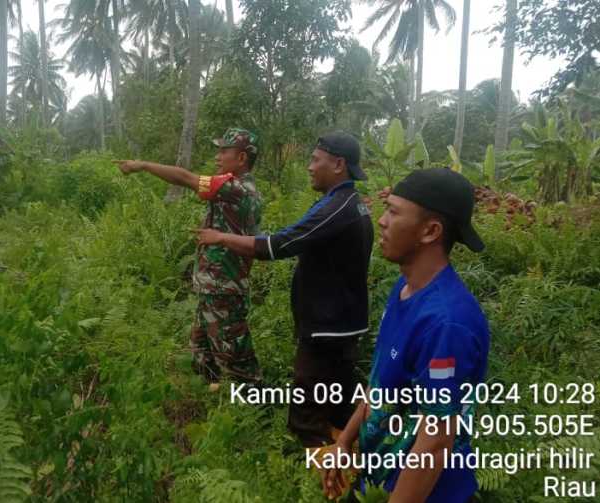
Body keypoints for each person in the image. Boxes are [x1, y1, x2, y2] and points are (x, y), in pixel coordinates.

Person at [322, 168, 490, 503]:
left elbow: (436, 440)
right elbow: (381, 380)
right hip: (380, 479)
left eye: (394, 212)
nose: (381, 221)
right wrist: (345, 441)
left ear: (430, 231)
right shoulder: (405, 288)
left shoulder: (447, 323)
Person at [196, 131, 373, 446]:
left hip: (327, 328)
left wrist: (220, 237)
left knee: (306, 420)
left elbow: (280, 244)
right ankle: (347, 465)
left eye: (315, 160)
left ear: (339, 165)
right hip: (341, 323)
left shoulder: (335, 209)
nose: (309, 166)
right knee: (337, 409)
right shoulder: (350, 203)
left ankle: (325, 477)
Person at [114, 128, 264, 385]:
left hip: (223, 289)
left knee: (238, 363)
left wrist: (142, 165)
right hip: (214, 287)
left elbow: (185, 178)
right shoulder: (233, 187)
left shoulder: (235, 188)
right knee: (201, 353)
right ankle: (213, 402)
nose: (218, 157)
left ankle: (259, 408)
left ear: (241, 159)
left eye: (224, 151)